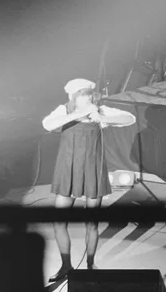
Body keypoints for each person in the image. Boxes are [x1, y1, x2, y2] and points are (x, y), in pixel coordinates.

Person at [42, 78, 136, 282]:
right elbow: (47, 124)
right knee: (59, 222)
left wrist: (103, 117)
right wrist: (78, 114)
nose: (86, 99)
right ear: (72, 96)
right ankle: (66, 266)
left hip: (93, 170)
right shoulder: (64, 110)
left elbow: (130, 119)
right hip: (69, 169)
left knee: (91, 224)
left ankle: (90, 265)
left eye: (88, 95)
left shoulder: (99, 111)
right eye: (81, 95)